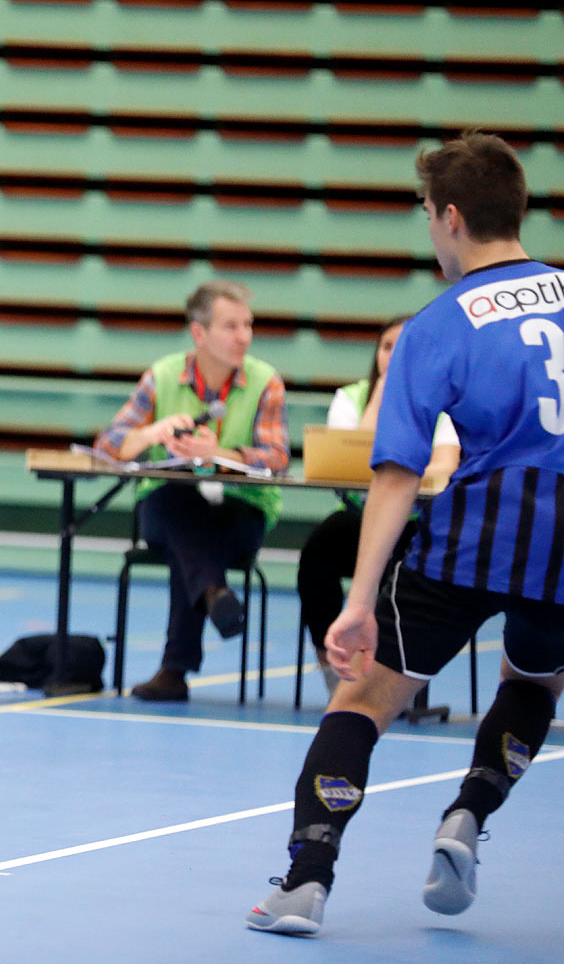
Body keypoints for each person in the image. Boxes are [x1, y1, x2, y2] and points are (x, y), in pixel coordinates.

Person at [247, 130, 563, 936]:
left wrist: (357, 601)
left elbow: (394, 473)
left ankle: (306, 881)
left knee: (364, 697)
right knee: (532, 683)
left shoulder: (439, 322)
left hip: (476, 530)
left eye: (427, 214)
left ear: (451, 218)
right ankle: (468, 814)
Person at [95, 280, 291, 701]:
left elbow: (277, 457)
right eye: (231, 326)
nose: (244, 337)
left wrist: (217, 452)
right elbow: (107, 446)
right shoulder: (162, 375)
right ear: (199, 333)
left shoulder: (266, 381)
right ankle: (215, 594)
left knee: (196, 543)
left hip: (240, 510)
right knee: (175, 501)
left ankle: (175, 667)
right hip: (169, 508)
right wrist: (152, 431)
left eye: (248, 325)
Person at [297, 316, 461, 697]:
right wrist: (382, 396)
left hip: (419, 521)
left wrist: (395, 480)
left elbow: (445, 465)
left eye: (404, 347)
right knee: (318, 553)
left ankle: (392, 678)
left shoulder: (444, 401)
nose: (394, 355)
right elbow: (349, 460)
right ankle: (332, 664)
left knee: (404, 569)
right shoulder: (351, 397)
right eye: (387, 347)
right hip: (360, 516)